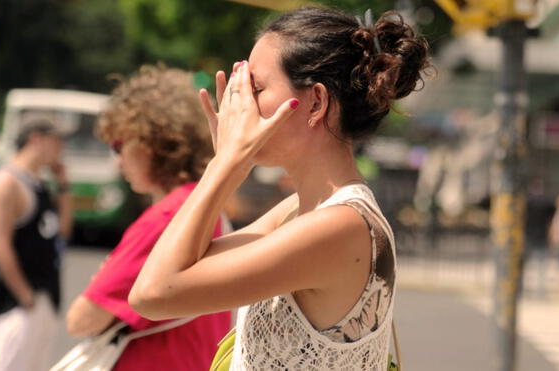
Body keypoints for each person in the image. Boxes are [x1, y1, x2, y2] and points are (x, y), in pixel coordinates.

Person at [129, 7, 430, 369]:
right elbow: (185, 265)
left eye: (255, 89)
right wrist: (228, 164)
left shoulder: (340, 226)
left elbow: (153, 294)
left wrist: (224, 164)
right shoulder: (298, 211)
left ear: (316, 103)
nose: (240, 106)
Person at [65, 65, 231, 371]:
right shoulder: (206, 204)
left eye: (119, 145)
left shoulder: (168, 216)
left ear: (150, 143)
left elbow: (82, 318)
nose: (117, 161)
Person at [0, 121, 72, 371]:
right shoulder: (7, 182)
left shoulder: (40, 183)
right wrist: (25, 296)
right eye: (57, 141)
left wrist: (63, 185)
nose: (61, 149)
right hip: (17, 302)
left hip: (44, 295)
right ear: (37, 139)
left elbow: (62, 231)